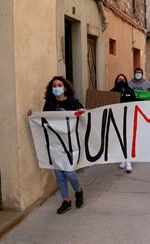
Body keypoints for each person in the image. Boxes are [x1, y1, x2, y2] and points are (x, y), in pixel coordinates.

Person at [27, 76, 85, 214]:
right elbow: (44, 120)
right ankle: (66, 200)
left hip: (70, 145)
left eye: (59, 85)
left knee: (70, 173)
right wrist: (33, 115)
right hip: (55, 144)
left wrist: (82, 112)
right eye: (54, 86)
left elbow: (84, 116)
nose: (57, 88)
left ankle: (79, 191)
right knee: (59, 174)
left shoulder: (73, 102)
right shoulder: (49, 104)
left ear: (64, 88)